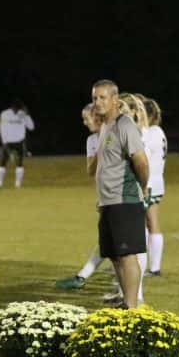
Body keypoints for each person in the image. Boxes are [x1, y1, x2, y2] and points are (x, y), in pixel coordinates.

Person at [90, 80, 149, 309]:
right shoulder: (105, 126)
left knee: (127, 254)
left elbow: (141, 161)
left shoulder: (125, 125)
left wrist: (141, 188)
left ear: (115, 100)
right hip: (107, 202)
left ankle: (132, 307)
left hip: (125, 200)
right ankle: (126, 301)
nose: (97, 102)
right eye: (95, 98)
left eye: (102, 97)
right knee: (113, 254)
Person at [55, 104, 107, 290]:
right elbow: (91, 171)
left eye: (87, 118)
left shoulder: (118, 134)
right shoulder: (92, 140)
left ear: (98, 116)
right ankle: (83, 276)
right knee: (109, 241)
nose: (84, 122)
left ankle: (134, 294)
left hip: (123, 197)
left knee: (120, 245)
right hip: (107, 197)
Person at [142, 98, 167, 277]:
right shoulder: (158, 131)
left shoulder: (150, 132)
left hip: (149, 184)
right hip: (157, 182)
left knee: (149, 224)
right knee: (151, 224)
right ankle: (150, 266)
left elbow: (145, 158)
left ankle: (150, 267)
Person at [0, 99, 35, 188]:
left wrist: (27, 115)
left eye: (18, 109)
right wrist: (4, 142)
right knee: (3, 162)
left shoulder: (23, 114)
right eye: (15, 109)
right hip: (8, 142)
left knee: (19, 163)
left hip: (19, 142)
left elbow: (31, 127)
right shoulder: (4, 114)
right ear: (12, 107)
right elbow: (1, 128)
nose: (16, 111)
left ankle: (17, 185)